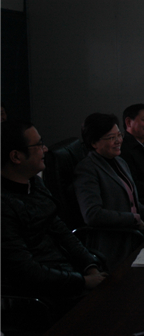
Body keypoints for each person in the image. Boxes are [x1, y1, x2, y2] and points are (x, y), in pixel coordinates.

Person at [2, 120, 107, 306]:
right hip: (42, 297)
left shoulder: (35, 183)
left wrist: (89, 266)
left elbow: (61, 231)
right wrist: (83, 281)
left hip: (67, 275)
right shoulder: (5, 205)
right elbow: (26, 271)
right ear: (16, 156)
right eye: (38, 145)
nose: (45, 149)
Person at [74, 113, 144, 270]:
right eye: (111, 138)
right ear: (94, 143)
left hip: (135, 234)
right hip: (116, 242)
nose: (118, 141)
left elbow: (131, 202)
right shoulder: (87, 169)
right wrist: (133, 219)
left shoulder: (120, 161)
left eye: (119, 135)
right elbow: (92, 214)